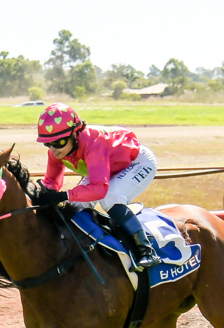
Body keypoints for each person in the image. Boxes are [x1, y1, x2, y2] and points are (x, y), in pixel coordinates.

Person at [35, 103, 163, 271]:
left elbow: (99, 189)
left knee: (111, 198)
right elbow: (51, 183)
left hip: (136, 162)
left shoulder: (93, 142)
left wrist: (64, 195)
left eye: (59, 142)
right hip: (104, 168)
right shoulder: (56, 152)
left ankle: (146, 251)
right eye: (48, 144)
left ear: (75, 133)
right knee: (75, 207)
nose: (53, 149)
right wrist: (39, 194)